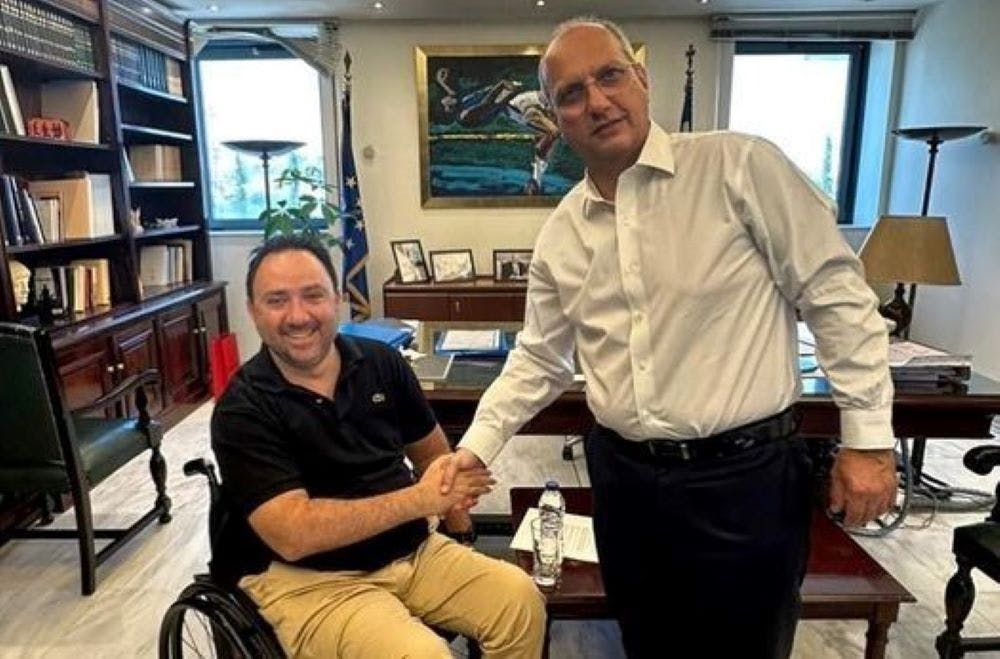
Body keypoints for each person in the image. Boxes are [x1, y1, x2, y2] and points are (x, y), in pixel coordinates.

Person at [445, 16, 898, 659]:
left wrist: (870, 442)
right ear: (555, 118)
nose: (597, 101)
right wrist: (476, 447)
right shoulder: (562, 234)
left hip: (744, 484)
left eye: (609, 76)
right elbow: (540, 359)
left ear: (642, 79)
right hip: (626, 486)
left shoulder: (740, 167)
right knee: (646, 643)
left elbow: (837, 298)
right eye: (571, 94)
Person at [211, 234, 545, 658]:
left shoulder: (381, 362)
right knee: (422, 656)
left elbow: (432, 455)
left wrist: (460, 529)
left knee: (519, 601)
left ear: (337, 299)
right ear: (253, 311)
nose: (297, 316)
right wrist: (420, 500)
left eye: (313, 295)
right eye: (277, 300)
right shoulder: (242, 408)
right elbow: (293, 534)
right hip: (311, 580)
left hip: (413, 552)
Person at [435, 67, 561, 194]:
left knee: (552, 127)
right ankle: (535, 181)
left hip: (516, 101)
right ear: (448, 109)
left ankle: (535, 180)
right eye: (444, 102)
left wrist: (442, 83)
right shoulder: (465, 114)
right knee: (553, 131)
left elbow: (453, 94)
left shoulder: (461, 101)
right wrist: (501, 85)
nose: (445, 98)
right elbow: (488, 104)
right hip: (516, 105)